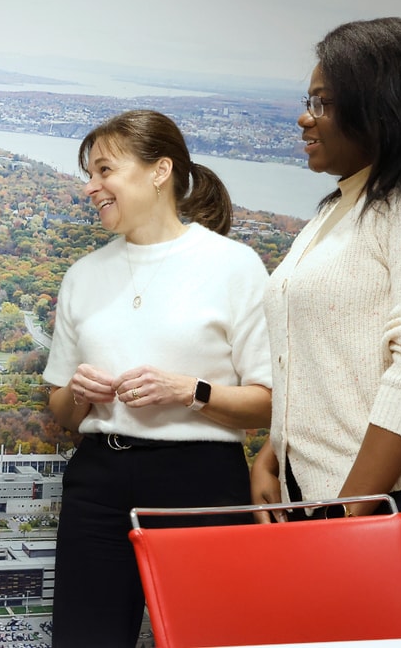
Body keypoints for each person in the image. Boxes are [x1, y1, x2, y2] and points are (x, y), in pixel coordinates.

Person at [251, 17, 401, 636]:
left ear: (383, 109)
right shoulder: (344, 205)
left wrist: (347, 513)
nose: (305, 118)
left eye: (322, 103)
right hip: (341, 496)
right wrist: (275, 450)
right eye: (308, 100)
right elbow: (322, 357)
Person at [43, 110, 273, 647]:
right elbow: (62, 411)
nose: (91, 187)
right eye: (89, 174)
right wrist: (79, 395)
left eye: (104, 170)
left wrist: (190, 392)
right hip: (98, 483)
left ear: (159, 171)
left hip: (201, 483)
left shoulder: (234, 266)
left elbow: (268, 403)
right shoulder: (83, 275)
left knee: (208, 637)